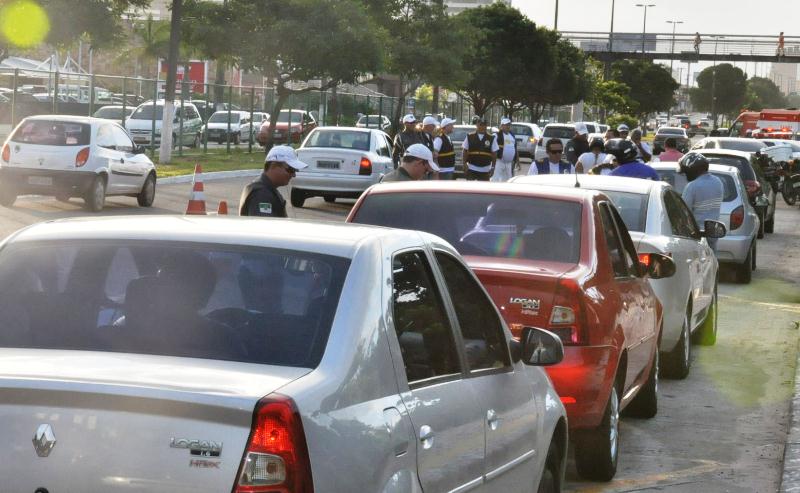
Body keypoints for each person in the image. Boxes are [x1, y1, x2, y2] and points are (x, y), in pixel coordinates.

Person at [239, 145, 308, 217]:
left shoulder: (266, 189)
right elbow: (264, 226)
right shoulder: (261, 194)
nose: (294, 175)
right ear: (273, 165)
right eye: (291, 170)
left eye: (295, 170)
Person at [680, 153, 724, 251]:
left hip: (696, 235)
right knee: (712, 261)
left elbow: (683, 212)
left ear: (693, 170)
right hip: (713, 232)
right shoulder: (718, 182)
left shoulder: (692, 186)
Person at [492, 117, 518, 182]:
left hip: (509, 164)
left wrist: (517, 161)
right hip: (499, 162)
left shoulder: (512, 136)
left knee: (508, 181)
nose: (508, 126)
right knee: (495, 179)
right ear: (502, 126)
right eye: (506, 125)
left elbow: (515, 149)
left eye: (509, 125)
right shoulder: (496, 135)